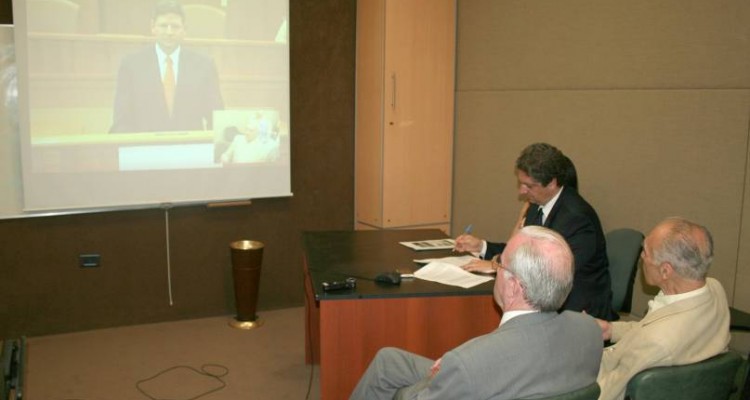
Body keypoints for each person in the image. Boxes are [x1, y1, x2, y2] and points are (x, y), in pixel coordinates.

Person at [350, 226, 603, 400]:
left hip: (473, 381)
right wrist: (453, 370)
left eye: (499, 263)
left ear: (514, 286)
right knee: (389, 361)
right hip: (505, 380)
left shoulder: (469, 362)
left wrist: (440, 379)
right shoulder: (590, 330)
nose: (495, 268)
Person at [455, 143, 617, 320]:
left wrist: (499, 265)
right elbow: (524, 252)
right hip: (545, 298)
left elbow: (549, 271)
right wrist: (482, 247)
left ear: (552, 183)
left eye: (529, 186)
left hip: (577, 310)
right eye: (521, 183)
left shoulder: (576, 218)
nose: (522, 191)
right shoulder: (538, 204)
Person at [595, 217, 730, 400]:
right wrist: (611, 330)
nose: (641, 257)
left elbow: (607, 392)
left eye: (646, 253)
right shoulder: (715, 290)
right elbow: (654, 327)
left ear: (666, 271)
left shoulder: (657, 342)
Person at [110, 0, 224, 133]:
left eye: (175, 26)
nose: (169, 32)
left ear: (184, 29)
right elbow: (121, 120)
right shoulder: (131, 65)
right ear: (153, 27)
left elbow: (216, 118)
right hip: (144, 148)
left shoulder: (204, 66)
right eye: (164, 25)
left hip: (189, 149)